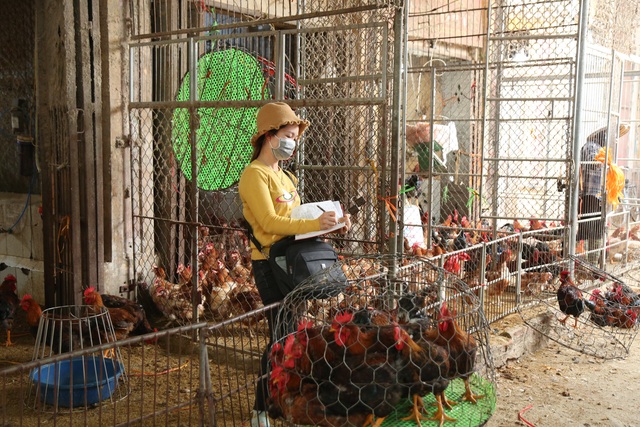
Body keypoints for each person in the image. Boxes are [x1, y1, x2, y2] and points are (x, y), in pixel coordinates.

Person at [238, 102, 350, 427]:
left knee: (289, 337)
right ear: (269, 136)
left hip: (291, 261)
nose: (293, 142)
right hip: (270, 265)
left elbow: (296, 219)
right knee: (279, 337)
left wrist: (331, 222)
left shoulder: (285, 176)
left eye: (295, 137)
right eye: (288, 135)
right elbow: (271, 222)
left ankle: (282, 401)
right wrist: (316, 225)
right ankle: (261, 409)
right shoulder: (253, 175)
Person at [578, 127, 608, 262]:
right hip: (591, 193)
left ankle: (593, 261)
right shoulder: (591, 147)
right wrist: (604, 161)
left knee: (597, 227)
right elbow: (593, 163)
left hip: (598, 195)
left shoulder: (598, 148)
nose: (607, 139)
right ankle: (589, 262)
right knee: (590, 228)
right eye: (605, 136)